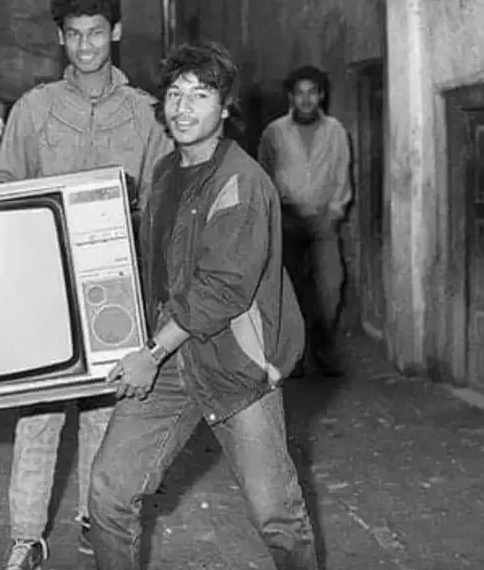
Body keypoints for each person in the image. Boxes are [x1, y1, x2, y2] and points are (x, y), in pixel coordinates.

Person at [86, 41, 318, 570]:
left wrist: (151, 351)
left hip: (234, 360)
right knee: (108, 491)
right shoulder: (165, 171)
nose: (183, 107)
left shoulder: (242, 181)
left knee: (276, 515)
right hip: (170, 352)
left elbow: (222, 287)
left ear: (225, 107)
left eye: (200, 94)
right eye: (174, 93)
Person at [0, 0, 172, 567]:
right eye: (75, 35)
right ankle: (26, 536)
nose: (86, 46)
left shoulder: (147, 113)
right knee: (38, 411)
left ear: (115, 32)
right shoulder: (34, 109)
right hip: (45, 286)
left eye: (96, 33)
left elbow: (166, 203)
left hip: (117, 288)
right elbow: (5, 190)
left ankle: (96, 520)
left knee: (104, 409)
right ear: (60, 38)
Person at [258, 64, 352, 377]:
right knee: (291, 290)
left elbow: (342, 172)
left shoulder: (336, 131)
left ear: (321, 95)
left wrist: (336, 211)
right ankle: (294, 358)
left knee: (330, 288)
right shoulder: (274, 132)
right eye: (300, 93)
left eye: (313, 93)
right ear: (291, 97)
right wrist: (274, 217)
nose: (307, 99)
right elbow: (263, 175)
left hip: (323, 220)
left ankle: (323, 350)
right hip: (287, 220)